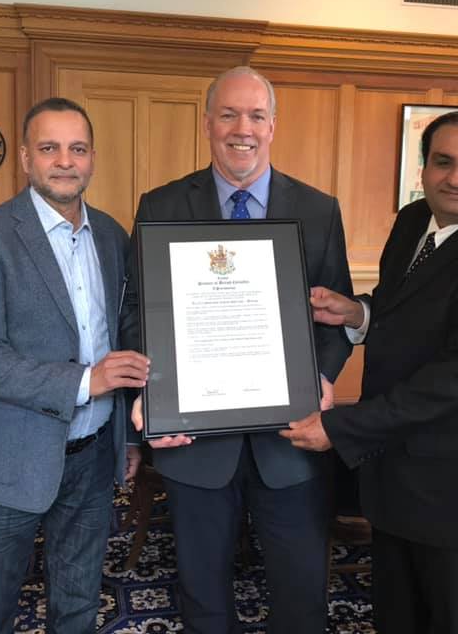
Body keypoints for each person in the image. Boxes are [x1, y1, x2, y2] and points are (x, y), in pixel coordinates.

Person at [283, 110, 458, 634]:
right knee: (396, 616)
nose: (457, 177)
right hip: (397, 478)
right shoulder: (413, 221)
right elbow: (404, 309)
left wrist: (341, 427)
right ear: (423, 168)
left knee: (451, 620)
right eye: (443, 162)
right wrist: (358, 313)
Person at [123, 66, 353, 634]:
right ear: (207, 124)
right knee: (202, 593)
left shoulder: (319, 209)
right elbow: (137, 314)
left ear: (272, 125)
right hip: (195, 442)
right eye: (228, 114)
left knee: (301, 592)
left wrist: (323, 376)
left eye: (255, 115)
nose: (241, 128)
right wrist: (152, 390)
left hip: (291, 439)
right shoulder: (160, 205)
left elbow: (334, 315)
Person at [0, 97, 150, 633]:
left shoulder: (111, 235)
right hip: (11, 463)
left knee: (79, 600)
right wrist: (88, 381)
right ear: (25, 158)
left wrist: (129, 438)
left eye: (77, 149)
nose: (65, 161)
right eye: (49, 148)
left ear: (92, 158)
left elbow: (124, 336)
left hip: (94, 455)